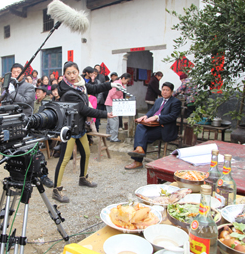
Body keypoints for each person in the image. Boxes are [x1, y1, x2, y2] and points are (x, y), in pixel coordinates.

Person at [52, 61, 122, 203]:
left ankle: (83, 178)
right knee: (64, 159)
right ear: (64, 75)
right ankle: (56, 189)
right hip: (69, 129)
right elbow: (84, 110)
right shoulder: (67, 92)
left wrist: (111, 85)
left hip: (80, 126)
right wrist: (105, 114)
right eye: (68, 73)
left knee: (86, 153)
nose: (72, 76)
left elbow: (94, 88)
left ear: (78, 72)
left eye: (74, 72)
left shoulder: (80, 84)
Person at [126, 82, 181, 170]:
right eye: (163, 90)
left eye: (167, 90)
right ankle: (139, 150)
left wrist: (157, 117)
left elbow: (172, 116)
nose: (165, 92)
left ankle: (137, 162)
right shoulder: (159, 100)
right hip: (153, 126)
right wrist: (146, 116)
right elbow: (152, 111)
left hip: (164, 128)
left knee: (142, 135)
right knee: (140, 127)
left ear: (171, 92)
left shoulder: (175, 102)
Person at [105, 73, 131, 142]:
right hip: (112, 103)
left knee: (110, 120)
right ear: (123, 78)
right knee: (114, 120)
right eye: (127, 81)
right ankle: (113, 138)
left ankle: (108, 135)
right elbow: (112, 94)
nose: (127, 83)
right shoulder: (116, 84)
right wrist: (118, 100)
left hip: (115, 103)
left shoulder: (121, 85)